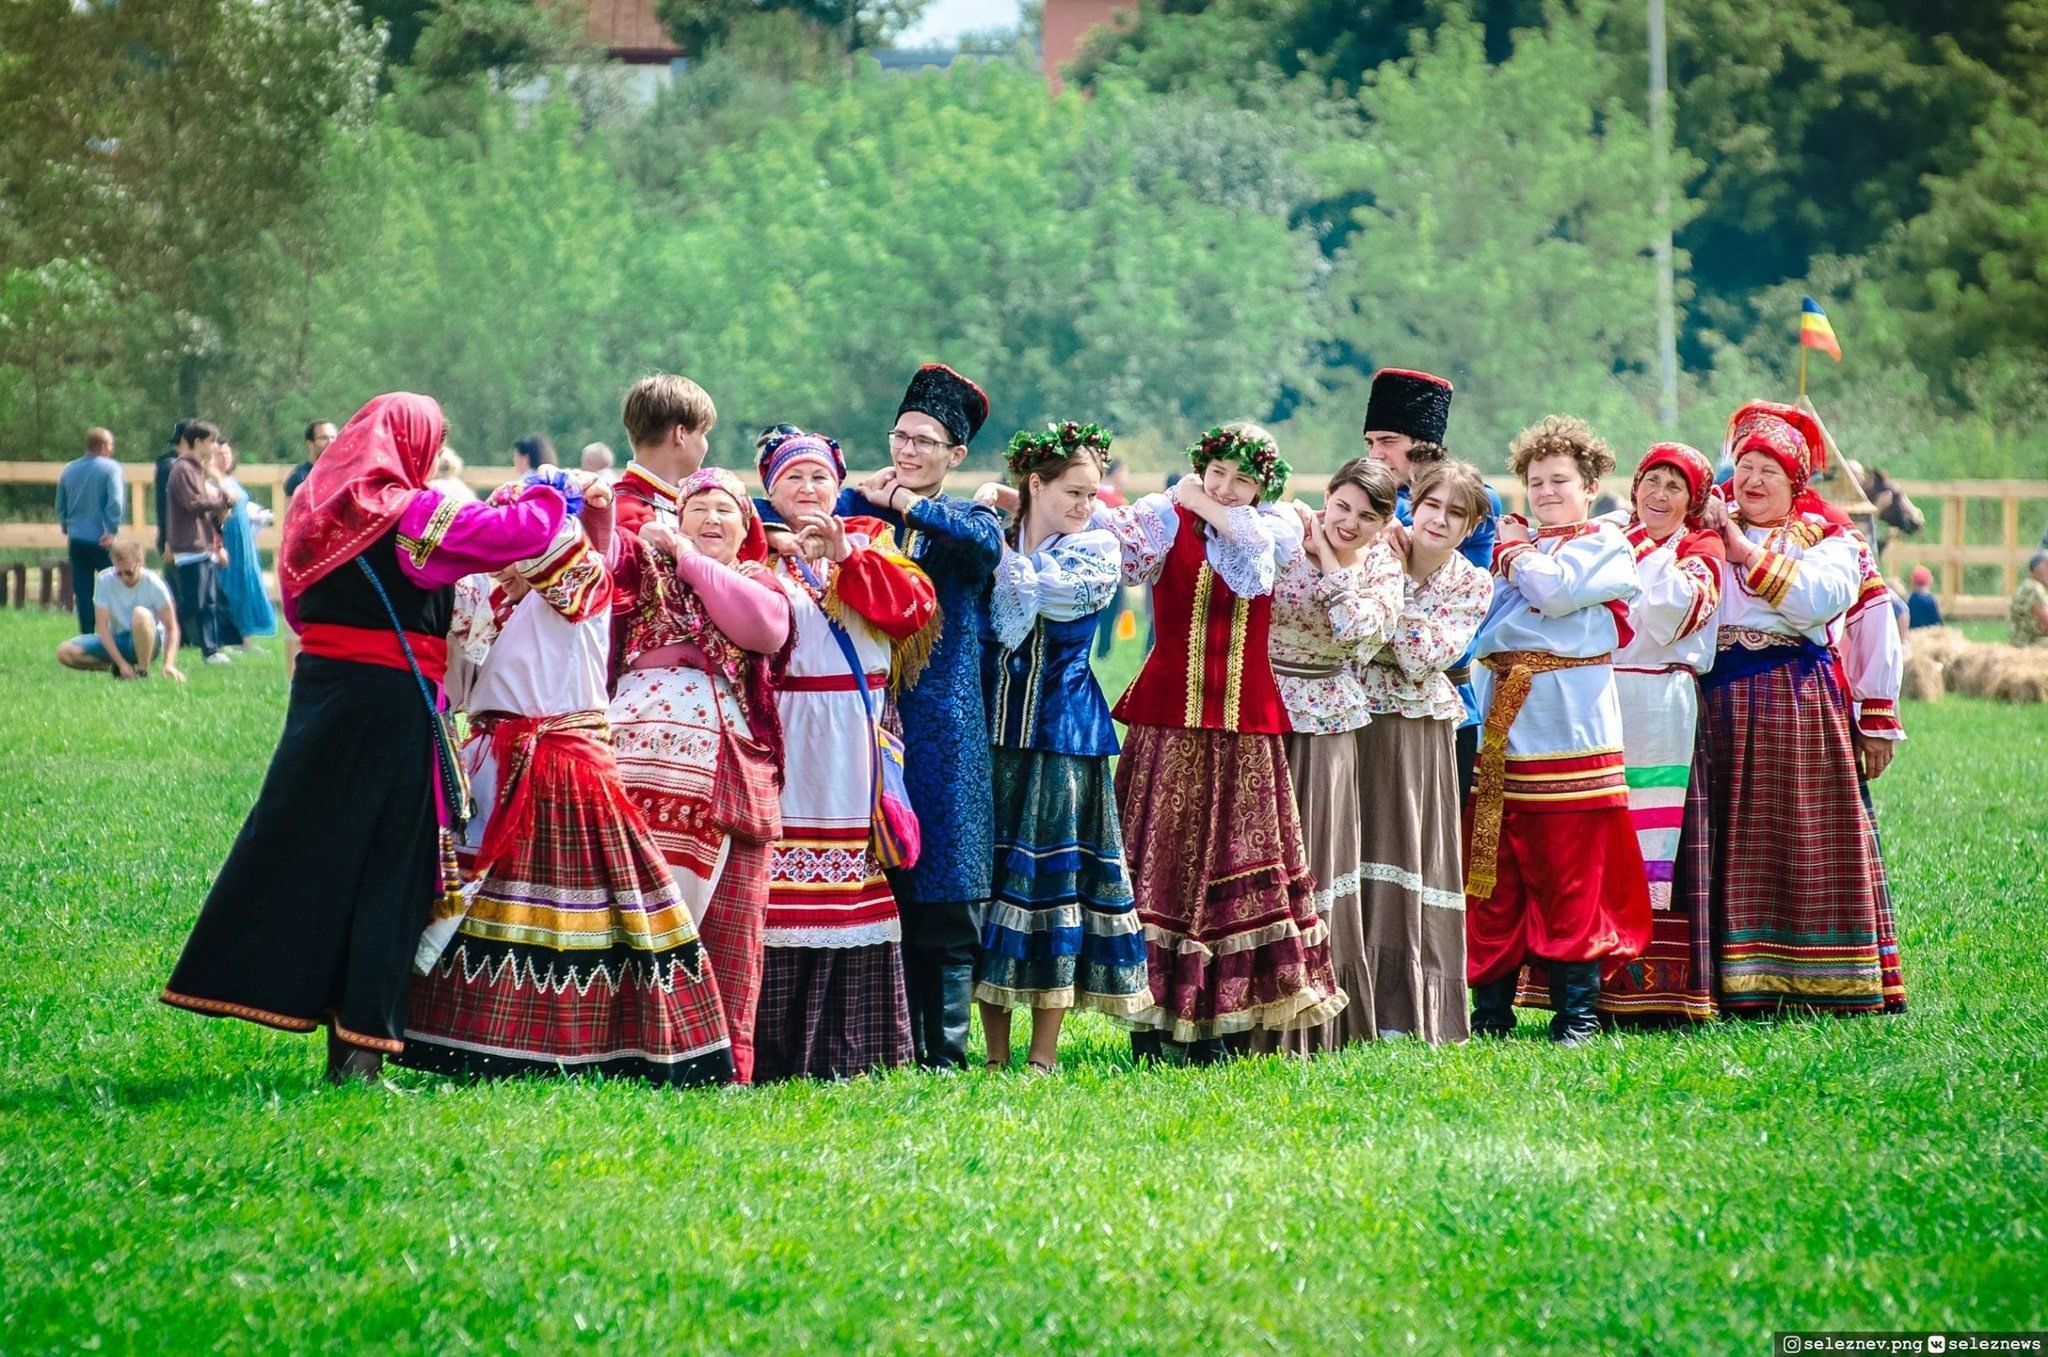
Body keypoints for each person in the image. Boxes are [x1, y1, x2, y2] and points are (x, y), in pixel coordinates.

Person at [161, 393, 569, 1083]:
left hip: (322, 701)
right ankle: (360, 1055)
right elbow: (517, 535)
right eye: (431, 443)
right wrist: (551, 489)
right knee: (392, 871)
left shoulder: (311, 514)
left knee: (314, 853)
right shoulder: (407, 513)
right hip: (392, 707)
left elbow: (295, 608)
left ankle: (295, 1008)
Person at [398, 469, 737, 1087]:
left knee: (588, 909)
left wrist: (538, 508)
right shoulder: (491, 599)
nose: (494, 557)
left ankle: (602, 1046)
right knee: (489, 903)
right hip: (493, 761)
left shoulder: (582, 577)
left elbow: (546, 539)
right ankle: (460, 1040)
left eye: (504, 539)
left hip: (564, 763)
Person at [1097, 423, 1345, 1061]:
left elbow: (1254, 559)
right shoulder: (1159, 520)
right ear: (1202, 465)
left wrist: (1199, 500)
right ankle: (1150, 1022)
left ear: (1265, 485)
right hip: (1169, 719)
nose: (1228, 487)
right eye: (1217, 473)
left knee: (1237, 866)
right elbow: (1100, 544)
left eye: (1244, 479)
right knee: (1163, 868)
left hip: (1244, 729)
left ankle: (1227, 1021)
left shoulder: (1275, 527)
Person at [1683, 401, 1906, 1017]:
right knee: (1721, 840)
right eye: (1746, 466)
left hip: (1794, 702)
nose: (1752, 480)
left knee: (1798, 834)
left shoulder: (1833, 540)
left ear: (1795, 483)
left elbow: (1821, 604)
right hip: (1713, 704)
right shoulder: (1702, 529)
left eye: (1769, 471)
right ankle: (1725, 982)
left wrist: (1876, 718)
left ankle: (1816, 979)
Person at [1515, 442, 1725, 1024]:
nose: (1658, 496)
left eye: (1674, 488)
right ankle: (1583, 985)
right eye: (1650, 483)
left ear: (1694, 501)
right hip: (1597, 694)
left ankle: (1658, 989)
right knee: (1593, 837)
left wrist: (1617, 566)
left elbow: (1667, 612)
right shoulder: (1610, 535)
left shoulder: (1699, 551)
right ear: (1632, 489)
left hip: (1661, 701)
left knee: (1654, 842)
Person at [838, 364, 1004, 1070]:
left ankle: (945, 1052)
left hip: (945, 726)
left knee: (945, 884)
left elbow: (981, 551)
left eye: (925, 442)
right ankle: (884, 1039)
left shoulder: (968, 519)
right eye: (900, 437)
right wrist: (868, 501)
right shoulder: (863, 512)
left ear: (955, 456)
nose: (907, 451)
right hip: (867, 717)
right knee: (878, 877)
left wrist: (901, 501)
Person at [758, 430, 937, 1080]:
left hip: (853, 739)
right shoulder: (753, 548)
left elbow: (912, 613)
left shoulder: (872, 540)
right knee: (779, 886)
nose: (807, 490)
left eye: (818, 478)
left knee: (849, 887)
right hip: (782, 733)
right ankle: (773, 1052)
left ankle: (851, 1049)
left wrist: (847, 558)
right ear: (770, 488)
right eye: (792, 478)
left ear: (839, 485)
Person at [1465, 415, 1650, 1045]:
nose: (1546, 491)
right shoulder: (1515, 554)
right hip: (1502, 724)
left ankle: (1578, 1013)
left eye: (1559, 480)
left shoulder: (1606, 544)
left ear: (1591, 483)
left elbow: (1554, 592)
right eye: (1535, 481)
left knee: (1570, 871)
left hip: (1568, 727)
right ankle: (1490, 1010)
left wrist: (1514, 552)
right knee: (1491, 870)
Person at [971, 423, 1149, 1072]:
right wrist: (989, 526)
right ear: (1037, 483)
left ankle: (1042, 1054)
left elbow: (1046, 595)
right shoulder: (991, 534)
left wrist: (992, 537)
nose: (1086, 505)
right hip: (992, 736)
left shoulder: (1095, 549)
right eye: (1073, 492)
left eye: (1093, 492)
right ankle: (994, 1052)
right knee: (990, 889)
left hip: (1063, 738)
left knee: (1054, 892)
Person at [607, 466, 793, 1085]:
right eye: (697, 509)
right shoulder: (641, 569)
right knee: (634, 912)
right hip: (635, 770)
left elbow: (761, 630)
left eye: (725, 510)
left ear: (747, 528)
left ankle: (722, 1062)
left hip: (725, 773)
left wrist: (687, 557)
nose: (711, 519)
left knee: (730, 921)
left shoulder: (755, 581)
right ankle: (629, 1051)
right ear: (676, 516)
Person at [1259, 457, 1405, 1053]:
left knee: (1315, 856)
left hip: (1328, 717)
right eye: (1341, 506)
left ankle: (1313, 1014)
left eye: (1366, 517)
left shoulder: (1382, 569)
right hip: (1263, 705)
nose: (1348, 522)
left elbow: (1356, 634)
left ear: (1383, 524)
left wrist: (1329, 562)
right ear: (1327, 495)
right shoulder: (1282, 532)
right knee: (1257, 853)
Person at [1351, 461, 1493, 1043]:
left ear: (1470, 526)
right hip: (1355, 715)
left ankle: (1406, 1006)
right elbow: (1355, 633)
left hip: (1420, 727)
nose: (1437, 519)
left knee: (1409, 848)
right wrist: (1388, 628)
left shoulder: (1473, 582)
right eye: (1431, 505)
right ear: (1414, 502)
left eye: (1455, 514)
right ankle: (1348, 998)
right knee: (1351, 845)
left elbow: (1425, 655)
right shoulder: (1379, 549)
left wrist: (1386, 621)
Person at [1363, 367, 1501, 803]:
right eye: (1370, 443)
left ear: (1422, 449)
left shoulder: (1472, 500)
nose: (1375, 455)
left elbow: (1418, 532)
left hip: (1445, 701)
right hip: (1366, 704)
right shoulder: (1372, 497)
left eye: (1387, 442)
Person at [56, 540, 185, 682]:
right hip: (118, 639)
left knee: (140, 614)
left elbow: (172, 627)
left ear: (140, 562)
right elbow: (102, 627)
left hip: (149, 641)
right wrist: (121, 663)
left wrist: (168, 664)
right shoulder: (104, 580)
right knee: (65, 652)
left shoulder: (154, 584)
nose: (124, 578)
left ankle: (143, 673)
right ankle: (120, 669)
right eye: (119, 573)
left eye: (129, 572)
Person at [163, 420, 231, 664]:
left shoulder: (196, 469)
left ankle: (210, 651)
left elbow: (201, 506)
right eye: (211, 441)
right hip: (189, 545)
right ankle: (160, 632)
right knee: (194, 602)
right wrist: (222, 500)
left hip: (203, 544)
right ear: (198, 442)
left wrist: (218, 512)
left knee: (209, 602)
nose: (214, 446)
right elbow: (192, 504)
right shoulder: (182, 469)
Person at [57, 427, 125, 635]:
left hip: (77, 538)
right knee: (115, 586)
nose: (112, 449)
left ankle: (87, 635)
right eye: (111, 444)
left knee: (84, 590)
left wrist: (66, 526)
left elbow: (61, 504)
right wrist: (112, 530)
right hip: (102, 538)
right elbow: (115, 502)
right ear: (103, 446)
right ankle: (116, 631)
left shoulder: (69, 469)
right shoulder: (111, 468)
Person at [215, 442, 278, 645]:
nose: (223, 458)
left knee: (246, 585)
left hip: (244, 541)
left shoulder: (231, 480)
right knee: (229, 587)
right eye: (218, 454)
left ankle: (246, 636)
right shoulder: (212, 481)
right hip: (227, 538)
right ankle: (231, 636)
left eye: (227, 454)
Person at [1093, 456, 1132, 658]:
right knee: (1110, 609)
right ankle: (1103, 649)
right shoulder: (1118, 502)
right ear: (1116, 473)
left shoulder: (1092, 494)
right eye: (1124, 472)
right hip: (1111, 562)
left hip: (1089, 561)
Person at [284, 420, 338, 500]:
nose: (330, 442)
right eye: (323, 438)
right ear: (310, 443)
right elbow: (294, 511)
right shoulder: (299, 478)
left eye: (333, 437)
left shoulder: (342, 474)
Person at [2013, 550, 2048, 647]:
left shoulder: (2026, 586)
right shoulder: (2035, 590)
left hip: (2022, 641)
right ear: (2037, 568)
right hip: (2032, 643)